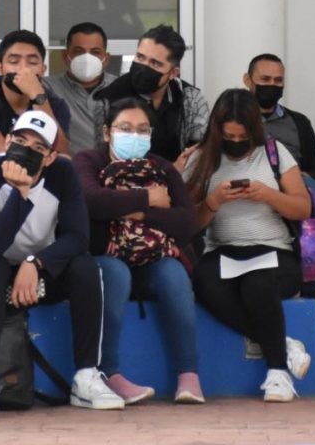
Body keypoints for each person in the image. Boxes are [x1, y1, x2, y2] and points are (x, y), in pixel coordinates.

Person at [0, 110, 124, 418]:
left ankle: (86, 377)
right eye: (20, 141)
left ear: (50, 157)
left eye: (38, 148)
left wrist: (36, 262)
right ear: (7, 141)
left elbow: (78, 237)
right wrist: (21, 194)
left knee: (86, 267)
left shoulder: (63, 174)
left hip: (33, 268)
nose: (26, 151)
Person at [184, 89, 313, 404]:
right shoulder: (202, 158)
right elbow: (187, 222)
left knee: (258, 285)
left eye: (243, 137)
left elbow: (302, 208)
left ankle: (278, 372)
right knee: (204, 284)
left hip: (274, 251)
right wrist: (213, 202)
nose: (236, 143)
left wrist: (268, 195)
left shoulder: (274, 152)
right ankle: (283, 345)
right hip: (223, 250)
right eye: (229, 136)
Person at [74, 98, 202, 405]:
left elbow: (187, 221)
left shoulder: (162, 168)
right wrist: (147, 198)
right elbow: (90, 201)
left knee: (174, 272)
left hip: (151, 259)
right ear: (107, 132)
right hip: (104, 258)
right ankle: (109, 373)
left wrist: (136, 211)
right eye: (125, 128)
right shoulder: (87, 161)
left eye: (143, 130)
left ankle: (189, 374)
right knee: (116, 273)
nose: (135, 135)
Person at [244, 52, 315, 319]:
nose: (272, 86)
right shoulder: (235, 120)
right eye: (265, 79)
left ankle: (314, 285)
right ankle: (314, 285)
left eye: (278, 81)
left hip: (296, 187)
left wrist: (295, 178)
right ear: (248, 80)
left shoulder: (299, 122)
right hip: (253, 186)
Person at [94, 24, 208, 166]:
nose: (144, 67)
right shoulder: (107, 98)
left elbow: (200, 153)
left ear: (173, 73)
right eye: (140, 57)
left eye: (155, 63)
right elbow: (99, 159)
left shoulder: (190, 99)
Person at [0, 30, 72, 166]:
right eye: (14, 61)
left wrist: (38, 97)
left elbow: (61, 154)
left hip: (37, 172)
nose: (23, 69)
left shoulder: (55, 104)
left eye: (32, 62)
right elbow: (1, 158)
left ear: (43, 70)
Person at [51, 21, 117, 154]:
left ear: (106, 58)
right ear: (65, 56)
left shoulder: (121, 88)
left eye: (95, 52)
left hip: (113, 165)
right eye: (78, 52)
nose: (87, 58)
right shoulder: (47, 87)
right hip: (68, 165)